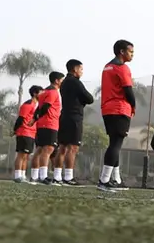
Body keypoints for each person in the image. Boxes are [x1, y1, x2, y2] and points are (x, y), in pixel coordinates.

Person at [100, 40, 137, 192]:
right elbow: (128, 90)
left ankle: (115, 179)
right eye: (130, 52)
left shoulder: (107, 67)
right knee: (116, 144)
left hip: (107, 109)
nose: (132, 55)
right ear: (122, 52)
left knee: (114, 143)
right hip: (119, 109)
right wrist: (133, 106)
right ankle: (104, 180)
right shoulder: (122, 68)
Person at [53, 59, 93, 187]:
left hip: (64, 116)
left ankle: (57, 177)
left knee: (62, 147)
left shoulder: (64, 83)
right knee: (73, 147)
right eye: (81, 69)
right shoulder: (76, 82)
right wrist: (82, 101)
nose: (82, 72)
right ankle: (68, 177)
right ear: (74, 69)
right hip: (74, 117)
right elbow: (89, 98)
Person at [31, 71, 65, 185]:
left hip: (42, 124)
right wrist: (39, 116)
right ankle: (43, 176)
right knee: (48, 150)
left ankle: (40, 176)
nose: (62, 82)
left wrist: (35, 118)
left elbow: (39, 108)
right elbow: (45, 107)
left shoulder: (44, 92)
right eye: (62, 80)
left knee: (41, 149)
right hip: (50, 124)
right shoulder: (53, 92)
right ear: (56, 80)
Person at [11, 85, 42, 183]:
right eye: (41, 92)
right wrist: (14, 130)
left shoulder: (37, 105)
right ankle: (17, 176)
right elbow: (20, 119)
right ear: (35, 93)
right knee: (21, 154)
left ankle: (23, 175)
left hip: (31, 133)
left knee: (26, 156)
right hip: (24, 132)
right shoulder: (28, 104)